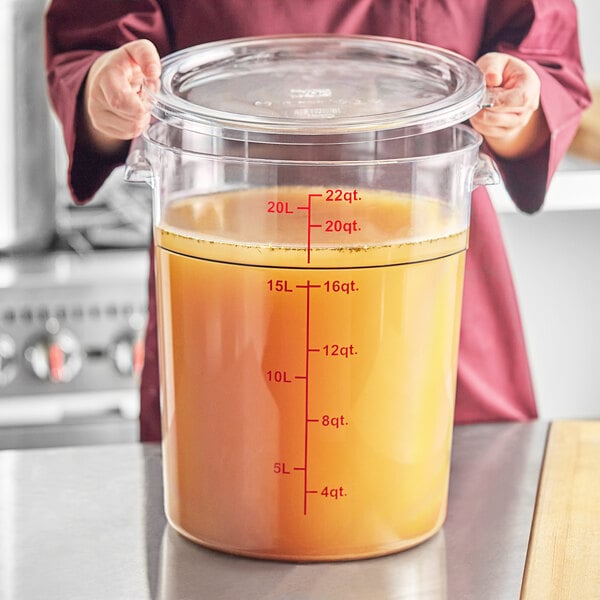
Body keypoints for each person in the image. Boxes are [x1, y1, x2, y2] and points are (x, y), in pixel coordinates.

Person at [45, 1, 591, 442]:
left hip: (433, 298)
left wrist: (517, 108)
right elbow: (94, 44)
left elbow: (545, 59)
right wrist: (105, 96)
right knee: (223, 514)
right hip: (231, 303)